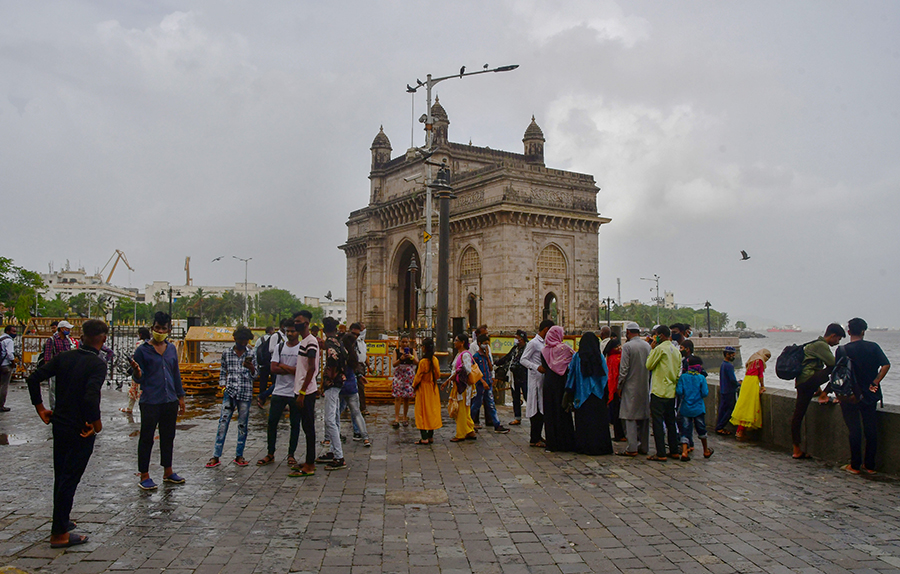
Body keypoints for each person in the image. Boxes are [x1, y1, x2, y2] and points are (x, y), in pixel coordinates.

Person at [26, 319, 107, 548]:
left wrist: (40, 408)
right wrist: (96, 424)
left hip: (60, 424)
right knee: (70, 479)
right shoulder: (97, 364)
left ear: (81, 336)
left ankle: (61, 521)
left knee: (61, 476)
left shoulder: (64, 357)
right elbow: (91, 397)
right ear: (103, 339)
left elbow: (33, 378)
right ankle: (59, 534)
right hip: (80, 428)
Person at [131, 312, 186, 490]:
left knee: (168, 436)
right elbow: (138, 377)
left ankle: (168, 471)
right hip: (150, 401)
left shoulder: (171, 349)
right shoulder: (142, 351)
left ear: (169, 330)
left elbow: (175, 373)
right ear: (152, 328)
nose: (160, 331)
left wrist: (180, 397)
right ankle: (144, 475)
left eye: (163, 328)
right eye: (157, 328)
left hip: (169, 400)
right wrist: (137, 372)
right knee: (147, 437)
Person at [836, 318, 891, 475]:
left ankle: (855, 465)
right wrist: (875, 382)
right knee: (870, 429)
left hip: (850, 394)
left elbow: (838, 374)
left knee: (854, 430)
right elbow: (886, 365)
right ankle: (870, 465)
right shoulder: (873, 347)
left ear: (848, 332)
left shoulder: (842, 350)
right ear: (863, 331)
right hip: (869, 393)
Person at [792, 323, 845, 460]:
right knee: (837, 368)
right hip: (807, 382)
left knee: (798, 413)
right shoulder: (821, 345)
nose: (838, 342)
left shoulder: (814, 344)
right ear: (833, 335)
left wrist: (818, 389)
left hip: (803, 382)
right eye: (838, 339)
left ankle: (796, 449)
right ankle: (826, 394)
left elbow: (814, 368)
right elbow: (833, 364)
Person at [206, 327, 255, 468]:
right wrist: (223, 386)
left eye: (245, 341)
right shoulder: (227, 353)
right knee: (223, 423)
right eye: (241, 341)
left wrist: (251, 367)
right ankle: (216, 455)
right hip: (230, 392)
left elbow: (256, 374)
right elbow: (223, 371)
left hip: (245, 393)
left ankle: (239, 455)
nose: (243, 344)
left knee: (242, 425)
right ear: (235, 339)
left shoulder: (251, 353)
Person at [257, 322, 303, 469]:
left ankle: (291, 454)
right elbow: (273, 368)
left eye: (293, 331)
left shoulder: (301, 348)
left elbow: (300, 371)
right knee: (272, 423)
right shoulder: (280, 347)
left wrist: (283, 366)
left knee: (295, 424)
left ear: (298, 332)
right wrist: (290, 369)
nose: (290, 334)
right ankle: (270, 453)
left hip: (294, 391)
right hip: (279, 390)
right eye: (287, 331)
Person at [564, 331, 612, 455]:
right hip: (597, 395)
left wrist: (569, 390)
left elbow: (571, 375)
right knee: (598, 423)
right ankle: (600, 447)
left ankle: (584, 446)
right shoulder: (599, 357)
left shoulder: (577, 357)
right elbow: (605, 376)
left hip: (582, 394)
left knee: (584, 422)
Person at [318, 316, 354, 471]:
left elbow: (332, 361)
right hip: (340, 381)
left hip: (332, 383)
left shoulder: (330, 343)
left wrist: (329, 378)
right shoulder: (339, 342)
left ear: (324, 329)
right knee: (335, 418)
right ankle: (333, 451)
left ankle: (339, 456)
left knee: (329, 419)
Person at [289, 311, 319, 476]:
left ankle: (310, 464)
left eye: (298, 321)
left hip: (306, 392)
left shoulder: (311, 342)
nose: (296, 324)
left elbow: (312, 368)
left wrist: (302, 392)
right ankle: (308, 460)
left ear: (306, 324)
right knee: (305, 426)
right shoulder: (304, 342)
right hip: (301, 390)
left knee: (309, 428)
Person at [645, 325, 682, 462]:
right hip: (671, 391)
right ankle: (674, 450)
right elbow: (678, 372)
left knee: (658, 423)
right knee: (671, 422)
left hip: (658, 390)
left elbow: (649, 365)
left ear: (660, 335)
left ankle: (661, 452)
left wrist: (652, 349)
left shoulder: (660, 349)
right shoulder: (676, 351)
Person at [617, 322, 651, 456]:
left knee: (629, 416)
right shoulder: (647, 346)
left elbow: (624, 369)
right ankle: (644, 446)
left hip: (630, 385)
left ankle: (632, 447)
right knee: (644, 417)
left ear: (628, 332)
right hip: (645, 385)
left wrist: (620, 385)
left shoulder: (627, 346)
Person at [541, 326, 576, 452]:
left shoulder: (544, 351)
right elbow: (574, 361)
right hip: (562, 383)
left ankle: (552, 444)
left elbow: (544, 367)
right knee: (562, 411)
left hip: (549, 384)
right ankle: (566, 443)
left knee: (550, 413)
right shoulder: (565, 349)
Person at [520, 320, 554, 447]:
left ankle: (538, 435)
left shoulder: (545, 343)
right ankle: (534, 438)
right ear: (546, 330)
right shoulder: (533, 343)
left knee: (542, 408)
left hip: (543, 380)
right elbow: (523, 359)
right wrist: (536, 367)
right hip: (535, 380)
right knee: (535, 409)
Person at [675, 356, 714, 461]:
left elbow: (679, 391)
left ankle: (684, 452)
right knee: (701, 429)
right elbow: (705, 393)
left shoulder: (683, 377)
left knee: (685, 429)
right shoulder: (701, 378)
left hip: (686, 408)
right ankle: (705, 450)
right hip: (698, 408)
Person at [471, 334, 510, 434]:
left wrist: (488, 357)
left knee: (491, 404)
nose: (486, 345)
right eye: (485, 344)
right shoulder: (476, 357)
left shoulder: (486, 356)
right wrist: (482, 381)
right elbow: (475, 371)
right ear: (479, 344)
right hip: (480, 384)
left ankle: (497, 424)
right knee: (476, 405)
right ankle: (469, 423)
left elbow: (490, 368)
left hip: (488, 383)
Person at [442, 333, 477, 442]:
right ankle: (469, 430)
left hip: (463, 386)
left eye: (456, 340)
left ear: (462, 343)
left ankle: (461, 434)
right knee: (465, 410)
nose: (454, 342)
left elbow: (467, 369)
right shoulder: (459, 354)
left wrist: (456, 373)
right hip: (460, 385)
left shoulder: (465, 355)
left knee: (461, 410)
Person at [340, 330, 370, 447]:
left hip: (341, 386)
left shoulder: (341, 355)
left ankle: (332, 436)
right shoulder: (354, 355)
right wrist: (360, 376)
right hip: (352, 386)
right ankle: (365, 437)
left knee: (337, 412)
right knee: (357, 413)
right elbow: (355, 370)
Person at [731, 349, 770, 440]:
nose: (767, 358)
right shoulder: (760, 360)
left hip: (746, 380)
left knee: (744, 405)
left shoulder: (753, 359)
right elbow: (760, 375)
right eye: (767, 356)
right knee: (749, 407)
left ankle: (739, 431)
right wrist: (762, 386)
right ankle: (740, 432)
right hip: (753, 382)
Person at [495, 330, 528, 425]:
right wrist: (496, 363)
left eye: (517, 338)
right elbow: (507, 357)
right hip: (514, 377)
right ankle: (517, 417)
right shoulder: (515, 348)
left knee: (527, 396)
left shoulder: (527, 348)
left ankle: (533, 416)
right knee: (515, 397)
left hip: (525, 376)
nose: (515, 339)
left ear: (521, 339)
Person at [43, 320, 78, 410]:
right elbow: (47, 355)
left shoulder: (67, 340)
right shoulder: (52, 340)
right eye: (67, 328)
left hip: (66, 367)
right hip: (55, 367)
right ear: (61, 329)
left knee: (65, 387)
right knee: (53, 388)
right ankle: (54, 407)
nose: (69, 330)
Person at [413, 338, 442, 445]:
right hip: (432, 387)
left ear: (424, 348)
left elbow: (418, 377)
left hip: (423, 388)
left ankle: (424, 437)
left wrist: (414, 386)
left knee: (421, 412)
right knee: (431, 411)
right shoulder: (435, 360)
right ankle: (430, 436)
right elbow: (438, 375)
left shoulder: (423, 362)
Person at [121, 327, 150, 413]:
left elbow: (136, 357)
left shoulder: (139, 344)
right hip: (147, 370)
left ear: (140, 334)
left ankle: (130, 408)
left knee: (134, 389)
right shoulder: (150, 343)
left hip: (138, 369)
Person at [604, 335, 626, 442]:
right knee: (617, 413)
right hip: (617, 388)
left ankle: (619, 434)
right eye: (617, 346)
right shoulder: (615, 358)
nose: (619, 348)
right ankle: (620, 434)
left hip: (614, 387)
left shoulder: (613, 357)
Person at [391, 336, 416, 428]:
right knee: (397, 396)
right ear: (400, 342)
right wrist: (400, 359)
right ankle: (397, 418)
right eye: (403, 342)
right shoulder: (396, 351)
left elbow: (417, 362)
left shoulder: (412, 351)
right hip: (399, 374)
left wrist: (411, 356)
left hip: (408, 375)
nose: (405, 344)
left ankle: (405, 417)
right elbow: (394, 364)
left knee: (406, 397)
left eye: (406, 342)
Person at [715, 346, 739, 435]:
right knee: (729, 410)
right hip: (729, 391)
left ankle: (719, 427)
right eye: (733, 355)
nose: (734, 356)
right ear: (727, 354)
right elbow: (732, 380)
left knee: (722, 410)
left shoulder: (723, 364)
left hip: (723, 390)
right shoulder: (729, 365)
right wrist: (738, 384)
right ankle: (720, 427)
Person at [350, 322, 368, 415]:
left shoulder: (363, 343)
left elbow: (364, 355)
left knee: (361, 387)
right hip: (355, 364)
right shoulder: (353, 341)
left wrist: (368, 366)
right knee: (357, 386)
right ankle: (359, 407)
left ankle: (361, 407)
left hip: (361, 365)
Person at [0, 324, 17, 412]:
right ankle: (1, 405)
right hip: (6, 365)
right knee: (4, 386)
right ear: (8, 331)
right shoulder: (9, 341)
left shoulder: (1, 338)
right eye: (13, 331)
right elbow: (10, 354)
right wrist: (13, 362)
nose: (15, 333)